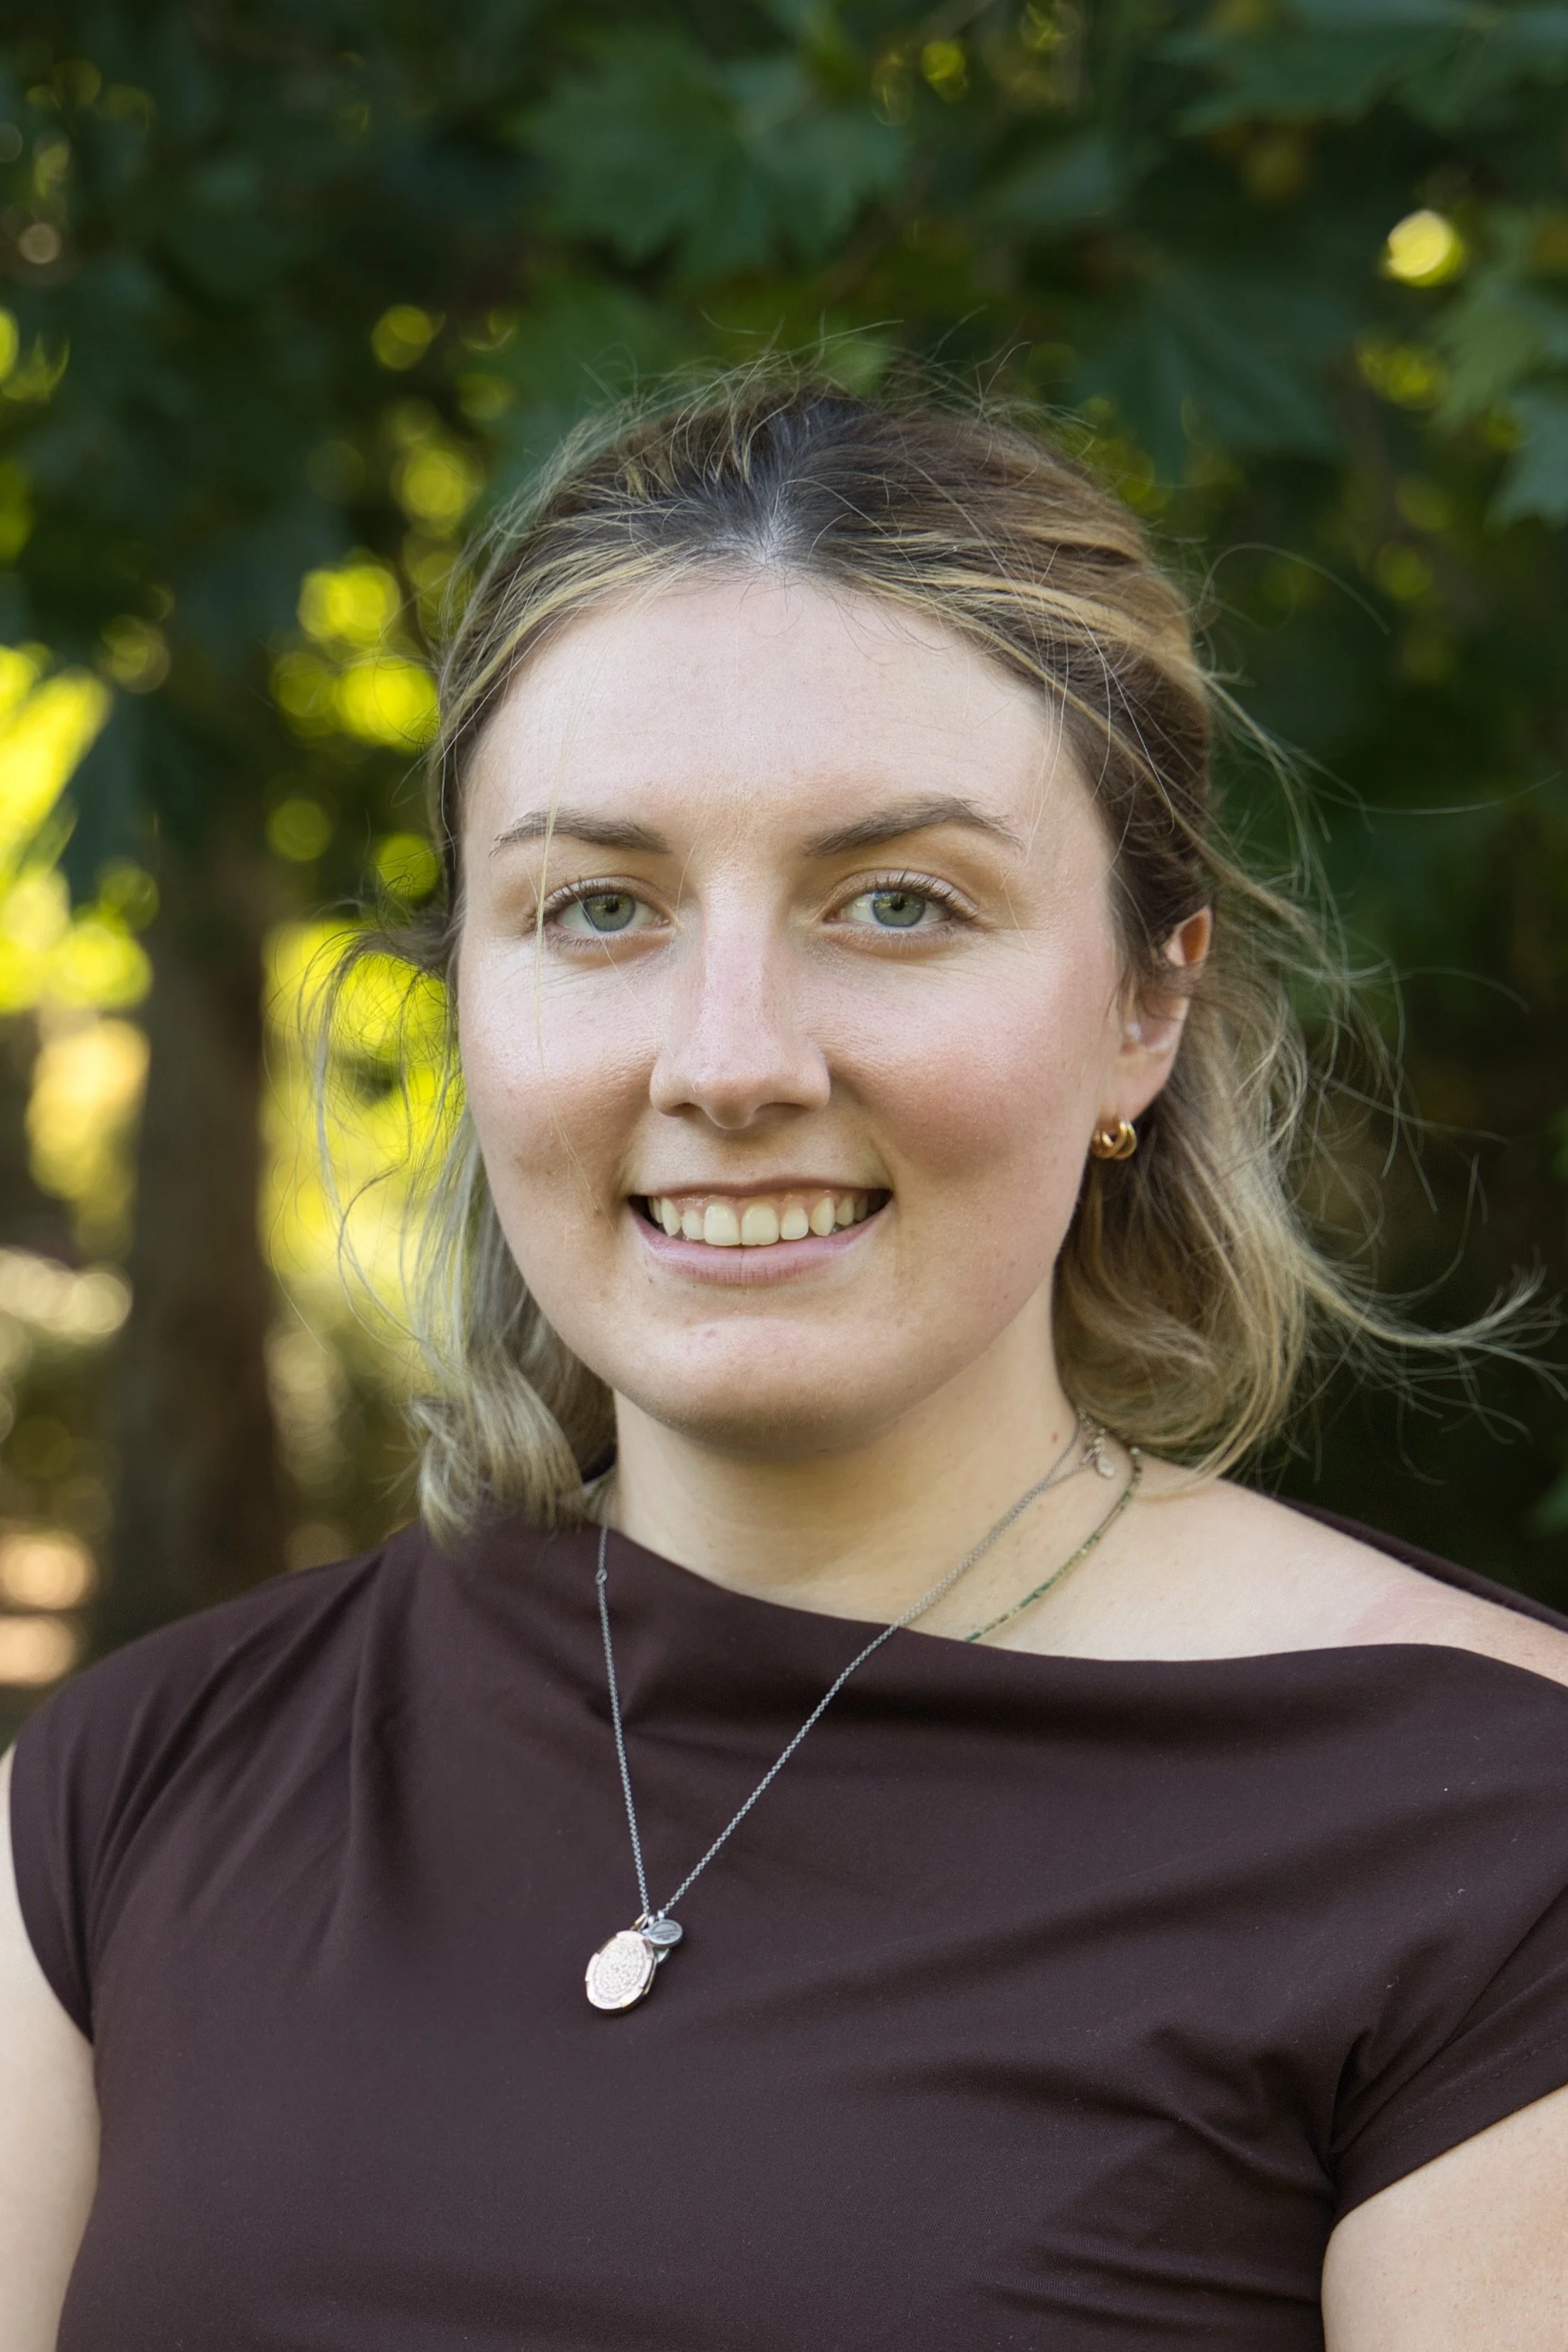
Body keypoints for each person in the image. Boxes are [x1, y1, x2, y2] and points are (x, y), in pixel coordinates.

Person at [4, 378, 1567, 2352]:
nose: (730, 1059)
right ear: (467, 991)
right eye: (599, 909)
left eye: (898, 904)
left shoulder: (1490, 1838)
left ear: (1142, 1009)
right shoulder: (127, 1794)